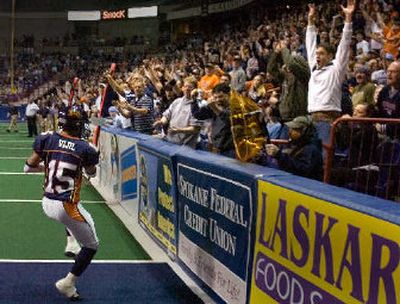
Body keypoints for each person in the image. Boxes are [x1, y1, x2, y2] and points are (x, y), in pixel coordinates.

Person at [24, 106, 99, 300]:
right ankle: (68, 283)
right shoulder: (85, 148)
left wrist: (49, 167)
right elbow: (91, 173)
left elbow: (28, 166)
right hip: (65, 204)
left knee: (79, 220)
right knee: (92, 244)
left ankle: (71, 242)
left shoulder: (47, 138)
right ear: (77, 126)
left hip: (47, 201)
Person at [306, 0, 355, 145]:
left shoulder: (336, 69)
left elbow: (345, 44)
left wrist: (348, 19)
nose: (317, 56)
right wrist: (310, 21)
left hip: (327, 120)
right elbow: (310, 44)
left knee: (324, 157)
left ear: (330, 56)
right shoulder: (314, 68)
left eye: (321, 54)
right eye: (317, 54)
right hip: (311, 119)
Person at [264, 116, 323, 181]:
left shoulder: (311, 149)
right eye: (290, 128)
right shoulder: (297, 144)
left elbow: (302, 170)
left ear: (304, 131)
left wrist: (279, 155)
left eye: (294, 129)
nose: (289, 132)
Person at [192, 83, 235, 157]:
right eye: (215, 97)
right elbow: (198, 115)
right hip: (215, 149)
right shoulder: (214, 106)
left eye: (221, 97)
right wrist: (193, 100)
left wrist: (214, 107)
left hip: (230, 151)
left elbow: (228, 120)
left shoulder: (236, 107)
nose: (218, 100)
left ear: (229, 95)